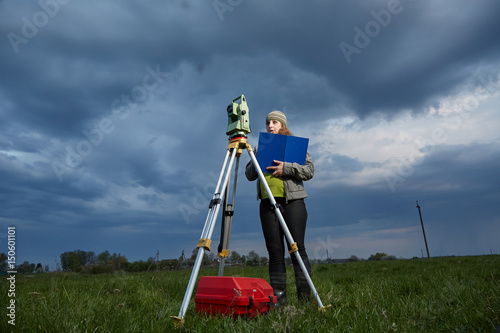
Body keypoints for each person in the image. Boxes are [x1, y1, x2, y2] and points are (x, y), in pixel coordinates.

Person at [245, 110, 314, 307]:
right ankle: (279, 303)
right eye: (268, 123)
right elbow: (249, 175)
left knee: (297, 250)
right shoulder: (260, 147)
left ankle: (305, 302)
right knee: (275, 252)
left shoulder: (294, 145)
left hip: (293, 202)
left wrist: (287, 168)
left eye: (274, 122)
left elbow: (310, 170)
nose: (270, 126)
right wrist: (255, 156)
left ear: (282, 125)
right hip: (268, 204)